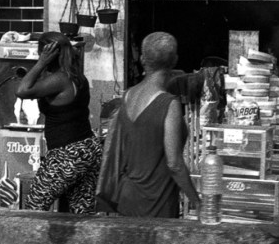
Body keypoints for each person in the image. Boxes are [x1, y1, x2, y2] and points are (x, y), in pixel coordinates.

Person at [96, 31, 201, 218]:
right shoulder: (169, 104)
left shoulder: (128, 95)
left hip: (127, 197)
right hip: (157, 200)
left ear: (143, 59)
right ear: (175, 60)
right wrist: (198, 203)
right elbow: (174, 164)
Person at [16, 33, 102, 213]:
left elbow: (23, 90)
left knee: (34, 207)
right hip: (87, 149)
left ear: (48, 54)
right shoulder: (77, 76)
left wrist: (40, 62)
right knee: (82, 211)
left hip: (67, 153)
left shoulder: (59, 79)